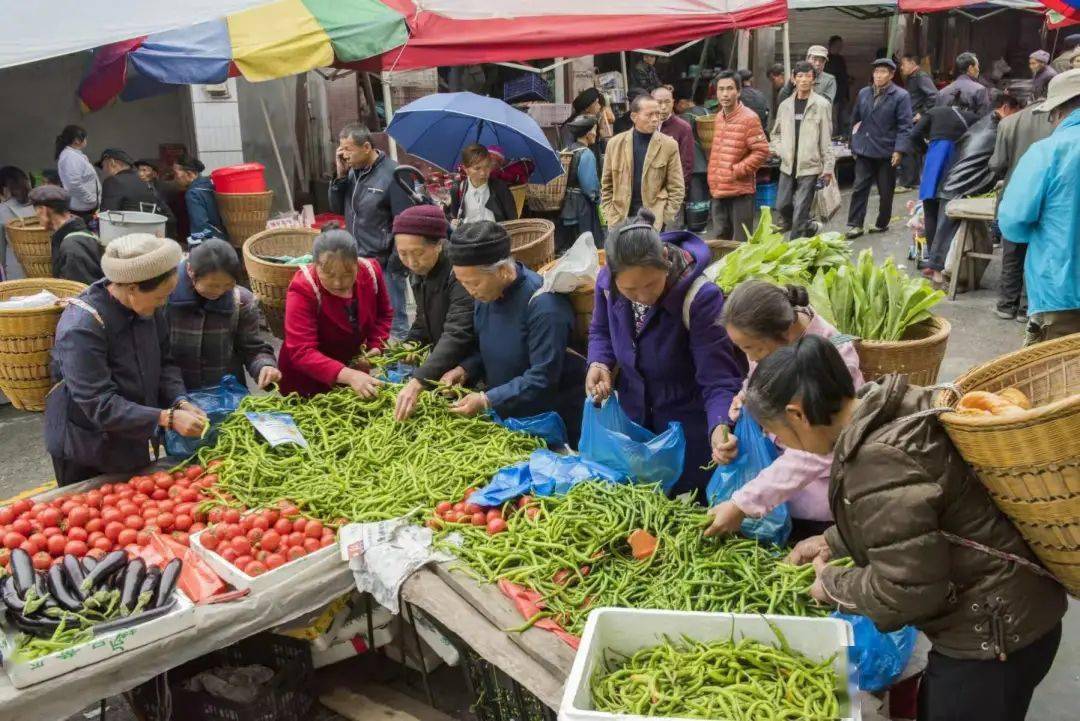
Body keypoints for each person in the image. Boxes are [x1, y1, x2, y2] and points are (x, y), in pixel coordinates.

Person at [758, 336, 1066, 721]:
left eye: (778, 433)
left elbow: (906, 591)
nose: (784, 444)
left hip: (990, 639)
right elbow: (914, 518)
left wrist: (833, 586)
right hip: (1017, 613)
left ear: (798, 414)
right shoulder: (892, 408)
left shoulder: (877, 459)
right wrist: (830, 541)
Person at [586, 210, 746, 498]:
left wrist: (720, 426)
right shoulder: (607, 284)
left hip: (689, 432)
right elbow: (600, 330)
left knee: (689, 509)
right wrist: (599, 362)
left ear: (664, 258)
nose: (643, 295)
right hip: (637, 426)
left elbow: (719, 378)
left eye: (651, 284)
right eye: (630, 289)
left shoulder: (699, 298)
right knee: (646, 504)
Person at [704, 282, 862, 541]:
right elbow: (762, 379)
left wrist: (743, 504)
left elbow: (818, 450)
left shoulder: (835, 357)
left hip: (818, 504)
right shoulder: (768, 346)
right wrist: (746, 401)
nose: (751, 358)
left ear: (786, 334)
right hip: (776, 490)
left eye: (751, 348)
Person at [45, 234, 205, 485]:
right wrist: (165, 418)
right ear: (132, 288)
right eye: (159, 297)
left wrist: (180, 400)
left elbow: (165, 362)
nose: (163, 304)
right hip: (87, 447)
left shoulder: (148, 308)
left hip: (132, 435)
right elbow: (99, 403)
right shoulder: (82, 327)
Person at [440, 221, 586, 442]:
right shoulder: (486, 295)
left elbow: (542, 377)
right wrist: (466, 368)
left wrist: (487, 399)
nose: (470, 292)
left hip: (549, 424)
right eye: (463, 284)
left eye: (473, 283)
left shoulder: (544, 305)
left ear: (502, 271)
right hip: (510, 421)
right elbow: (494, 346)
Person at [998, 70, 1080, 344]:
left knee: (1060, 380)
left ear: (1058, 112)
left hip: (1061, 289)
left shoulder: (1048, 151)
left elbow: (1013, 220)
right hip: (1062, 288)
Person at [277, 225, 393, 398]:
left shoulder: (370, 272)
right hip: (308, 379)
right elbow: (302, 351)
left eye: (347, 274)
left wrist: (375, 346)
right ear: (315, 265)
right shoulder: (303, 288)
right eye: (329, 275)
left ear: (357, 263)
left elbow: (384, 314)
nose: (338, 283)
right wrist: (349, 375)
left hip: (353, 371)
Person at [391, 205, 476, 421]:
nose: (411, 262)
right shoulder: (419, 272)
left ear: (438, 244)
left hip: (473, 364)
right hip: (446, 367)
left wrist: (419, 381)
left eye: (418, 253)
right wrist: (412, 342)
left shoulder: (459, 270)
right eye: (403, 254)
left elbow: (458, 331)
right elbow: (422, 317)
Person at [328, 124, 412, 340]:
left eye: (348, 149)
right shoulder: (353, 173)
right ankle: (374, 366)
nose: (344, 155)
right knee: (365, 318)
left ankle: (399, 370)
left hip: (385, 262)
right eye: (341, 150)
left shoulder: (393, 174)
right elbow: (337, 208)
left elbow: (403, 222)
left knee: (394, 321)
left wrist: (396, 263)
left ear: (366, 147)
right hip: (359, 259)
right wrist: (339, 176)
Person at [166, 238, 279, 391]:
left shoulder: (241, 301)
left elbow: (252, 348)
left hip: (226, 396)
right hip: (177, 395)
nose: (219, 291)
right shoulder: (165, 299)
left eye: (228, 285)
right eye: (212, 285)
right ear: (190, 271)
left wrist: (265, 366)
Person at [989, 98, 1054, 322]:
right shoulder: (1058, 123)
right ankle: (1027, 308)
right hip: (1047, 196)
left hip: (1014, 194)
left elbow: (996, 164)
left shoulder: (1009, 123)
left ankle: (1006, 305)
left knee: (1012, 251)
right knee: (1037, 251)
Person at [845, 58, 913, 238]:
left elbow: (905, 126)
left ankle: (882, 223)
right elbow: (855, 119)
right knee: (860, 187)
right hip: (865, 148)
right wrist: (853, 143)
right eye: (876, 72)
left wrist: (899, 150)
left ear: (891, 75)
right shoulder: (864, 93)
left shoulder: (900, 96)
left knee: (885, 190)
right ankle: (855, 224)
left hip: (886, 151)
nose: (878, 75)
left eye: (883, 72)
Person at [770, 61, 835, 239]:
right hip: (787, 163)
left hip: (810, 165)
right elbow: (775, 134)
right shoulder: (785, 106)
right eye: (800, 76)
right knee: (782, 205)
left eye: (808, 76)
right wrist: (779, 149)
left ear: (814, 80)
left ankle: (795, 247)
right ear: (793, 78)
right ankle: (808, 226)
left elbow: (826, 139)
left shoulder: (821, 105)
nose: (804, 80)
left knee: (801, 208)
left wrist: (828, 168)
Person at [600, 94, 685, 230]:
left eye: (657, 114)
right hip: (621, 218)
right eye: (649, 115)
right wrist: (611, 216)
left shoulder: (669, 145)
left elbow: (677, 187)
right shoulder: (615, 144)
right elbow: (607, 185)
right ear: (634, 117)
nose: (655, 119)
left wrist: (664, 217)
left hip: (653, 220)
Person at [911, 98, 978, 266]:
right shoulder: (971, 117)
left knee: (930, 206)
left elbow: (914, 134)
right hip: (959, 158)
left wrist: (924, 149)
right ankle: (948, 259)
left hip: (936, 156)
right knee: (950, 208)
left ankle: (933, 259)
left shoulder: (935, 112)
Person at [707, 71, 770, 242]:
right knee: (720, 239)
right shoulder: (719, 117)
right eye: (721, 89)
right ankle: (719, 270)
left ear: (739, 91)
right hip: (719, 188)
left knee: (741, 242)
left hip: (740, 190)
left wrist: (738, 170)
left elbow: (762, 150)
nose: (725, 94)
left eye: (729, 89)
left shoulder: (749, 118)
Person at [28, 185, 102, 285]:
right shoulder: (77, 235)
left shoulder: (72, 246)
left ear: (43, 210)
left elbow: (82, 292)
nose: (36, 215)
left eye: (36, 210)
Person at [557, 115, 604, 251]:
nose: (595, 134)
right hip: (582, 206)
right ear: (587, 133)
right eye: (594, 130)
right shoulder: (586, 154)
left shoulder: (567, 150)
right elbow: (590, 187)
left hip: (568, 204)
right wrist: (597, 197)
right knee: (587, 243)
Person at [448, 144, 517, 226]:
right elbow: (453, 217)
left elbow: (513, 221)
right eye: (477, 168)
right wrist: (453, 221)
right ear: (465, 169)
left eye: (487, 166)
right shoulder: (458, 189)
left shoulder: (500, 188)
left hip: (496, 236)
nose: (483, 173)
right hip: (468, 236)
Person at [898, 54, 940, 189]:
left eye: (903, 64)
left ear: (912, 63)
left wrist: (921, 114)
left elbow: (933, 96)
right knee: (913, 147)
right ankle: (912, 180)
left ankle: (908, 182)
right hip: (911, 117)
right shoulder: (911, 78)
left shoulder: (920, 76)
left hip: (917, 119)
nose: (901, 68)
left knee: (909, 145)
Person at [99, 148, 170, 217]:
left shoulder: (113, 181)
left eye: (103, 166)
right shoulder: (145, 181)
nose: (104, 170)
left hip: (126, 228)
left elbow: (107, 216)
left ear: (112, 162)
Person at [173, 155, 225, 246]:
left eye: (176, 174)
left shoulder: (192, 194)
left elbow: (200, 226)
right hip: (226, 239)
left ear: (189, 174)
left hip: (213, 245)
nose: (175, 178)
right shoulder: (210, 183)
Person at [54, 125, 99, 222]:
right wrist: (90, 199)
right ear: (77, 140)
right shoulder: (70, 157)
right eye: (85, 137)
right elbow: (73, 184)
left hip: (85, 206)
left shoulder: (75, 154)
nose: (86, 140)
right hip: (81, 209)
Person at [0, 166, 34, 280]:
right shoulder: (39, 203)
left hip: (17, 270)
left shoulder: (3, 210)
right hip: (44, 267)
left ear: (4, 188)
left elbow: (1, 250)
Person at [937, 52, 991, 117]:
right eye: (977, 66)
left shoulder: (941, 92)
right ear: (970, 68)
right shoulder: (979, 90)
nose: (978, 69)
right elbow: (982, 120)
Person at [824, 36, 850, 130]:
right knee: (832, 120)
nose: (840, 47)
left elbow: (843, 75)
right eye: (837, 45)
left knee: (842, 119)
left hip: (842, 94)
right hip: (832, 96)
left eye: (841, 45)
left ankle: (840, 138)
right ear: (831, 45)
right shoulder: (826, 60)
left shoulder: (840, 59)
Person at [735, 70, 770, 136]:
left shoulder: (737, 96)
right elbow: (766, 112)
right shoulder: (761, 94)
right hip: (759, 132)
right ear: (751, 80)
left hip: (742, 133)